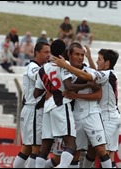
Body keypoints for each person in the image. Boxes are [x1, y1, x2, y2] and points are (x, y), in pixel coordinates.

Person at [34, 39, 95, 168]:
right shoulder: (63, 64)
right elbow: (69, 86)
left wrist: (48, 90)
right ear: (64, 52)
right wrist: (88, 84)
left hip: (48, 108)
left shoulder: (42, 69)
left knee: (45, 147)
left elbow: (36, 93)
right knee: (71, 143)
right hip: (61, 105)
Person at [60, 43, 112, 168]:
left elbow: (98, 95)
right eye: (77, 54)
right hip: (74, 116)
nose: (79, 57)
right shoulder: (62, 69)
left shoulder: (89, 71)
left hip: (91, 114)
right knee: (75, 153)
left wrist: (77, 96)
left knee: (100, 149)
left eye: (82, 55)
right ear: (69, 54)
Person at [13, 42, 50, 168]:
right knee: (36, 148)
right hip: (33, 110)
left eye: (49, 52)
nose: (48, 55)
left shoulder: (38, 67)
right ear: (36, 53)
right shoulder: (33, 67)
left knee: (27, 148)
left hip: (32, 110)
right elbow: (40, 76)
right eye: (45, 52)